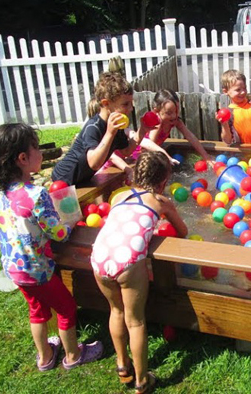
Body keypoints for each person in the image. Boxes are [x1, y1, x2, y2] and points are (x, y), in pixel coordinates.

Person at [0, 123, 103, 371]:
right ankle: (73, 355)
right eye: (36, 148)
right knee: (65, 308)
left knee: (37, 310)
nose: (41, 153)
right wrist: (72, 224)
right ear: (22, 158)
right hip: (38, 270)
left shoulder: (1, 193)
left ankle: (44, 357)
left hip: (15, 269)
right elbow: (57, 232)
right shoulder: (36, 195)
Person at [91, 151, 188, 393]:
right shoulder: (161, 202)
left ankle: (123, 366)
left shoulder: (119, 197)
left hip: (99, 257)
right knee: (135, 321)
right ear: (164, 181)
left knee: (116, 310)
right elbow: (183, 231)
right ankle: (143, 380)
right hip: (128, 261)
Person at [52, 72, 147, 186]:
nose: (131, 108)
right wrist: (109, 133)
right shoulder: (93, 127)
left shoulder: (116, 125)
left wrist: (142, 130)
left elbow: (126, 151)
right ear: (106, 103)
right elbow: (93, 163)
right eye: (125, 104)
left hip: (83, 178)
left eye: (131, 103)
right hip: (64, 178)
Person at [132, 89, 214, 167]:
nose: (174, 116)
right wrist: (166, 158)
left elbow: (190, 137)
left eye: (176, 111)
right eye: (169, 113)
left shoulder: (176, 121)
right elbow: (150, 144)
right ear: (156, 111)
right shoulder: (157, 122)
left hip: (154, 151)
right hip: (138, 155)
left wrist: (206, 157)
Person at [217, 69, 251, 144]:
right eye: (238, 90)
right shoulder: (229, 113)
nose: (243, 92)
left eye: (244, 88)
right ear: (226, 91)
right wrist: (224, 125)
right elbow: (227, 141)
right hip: (242, 153)